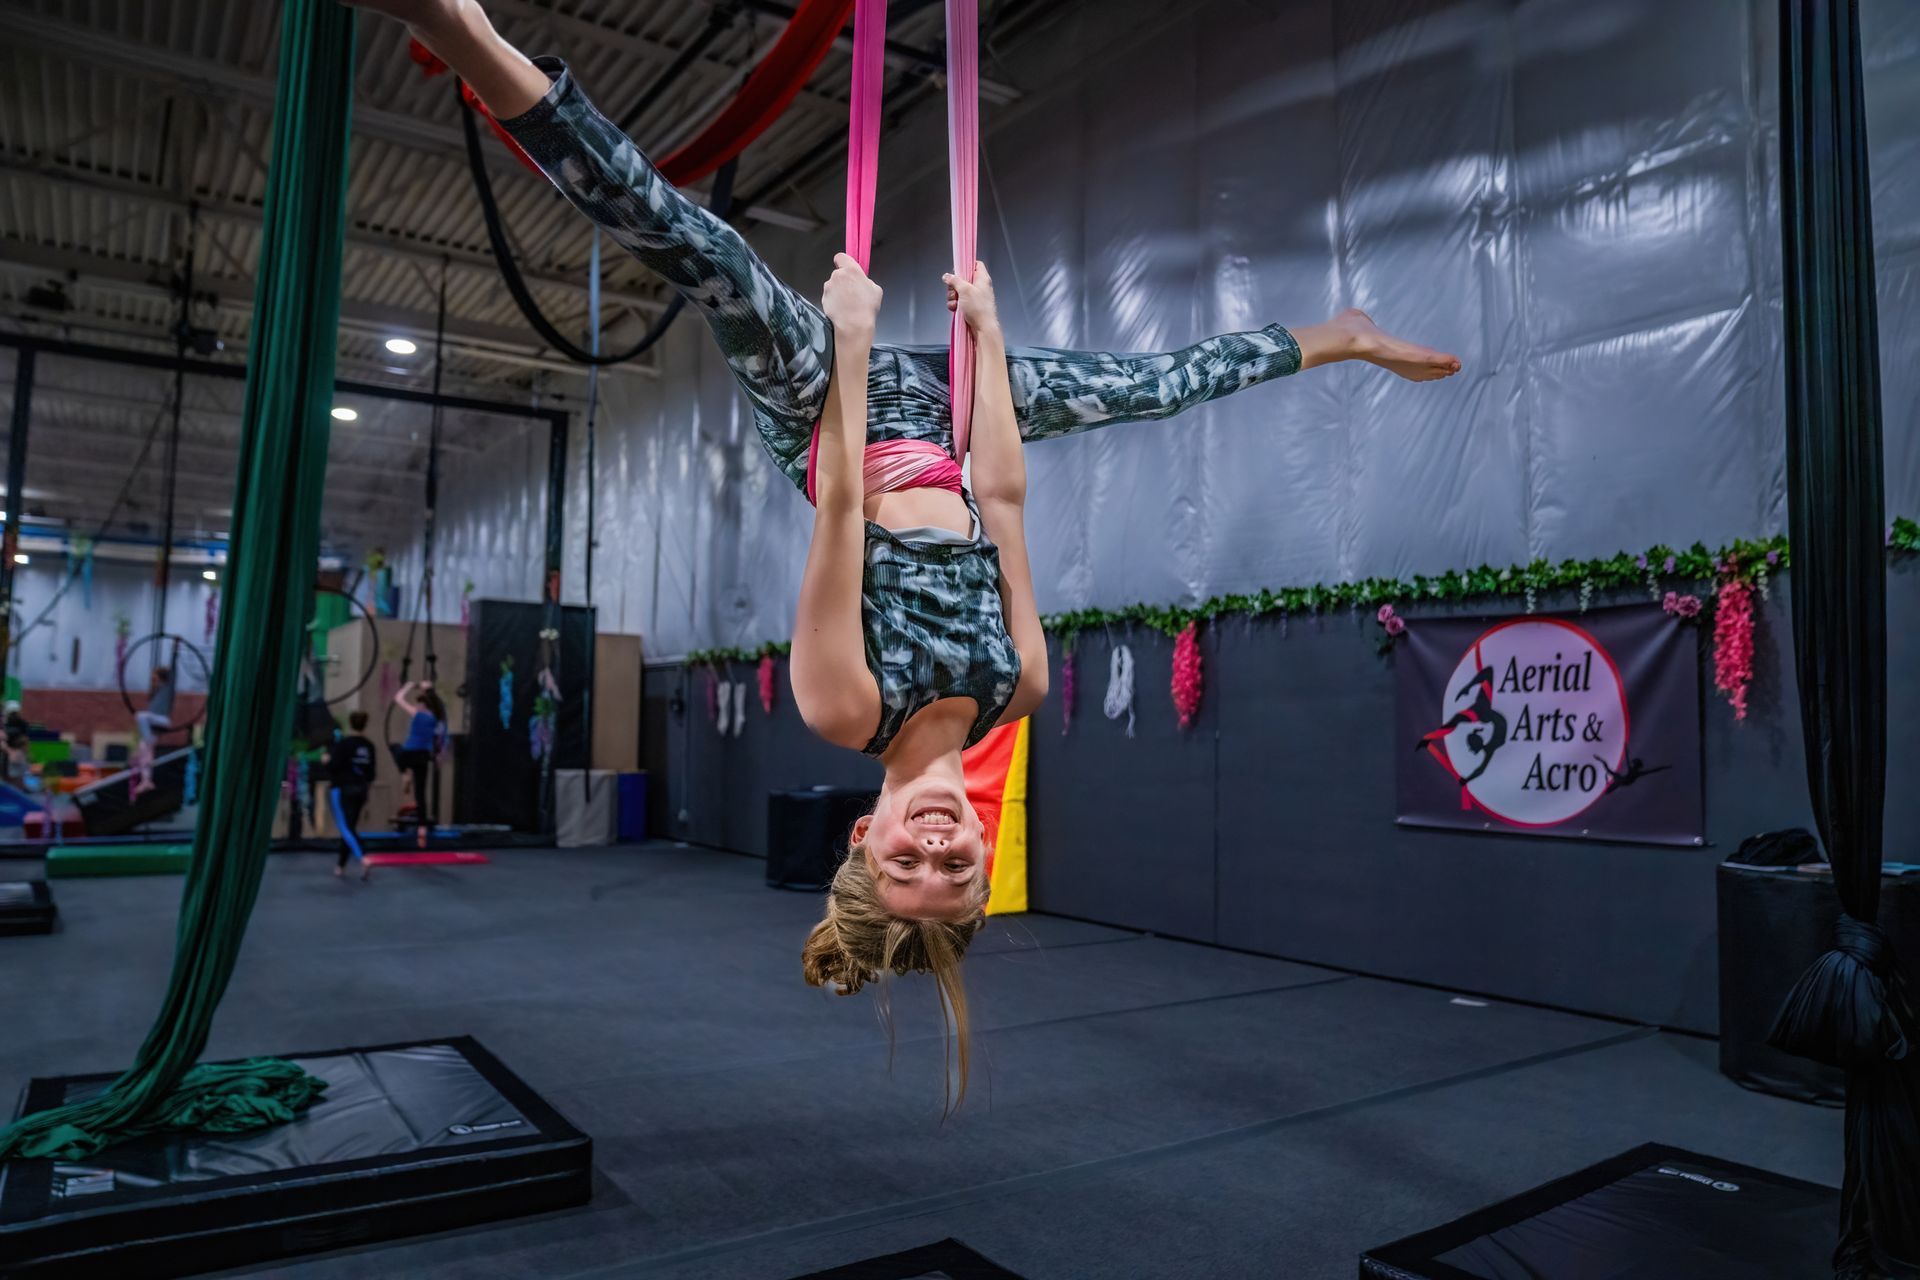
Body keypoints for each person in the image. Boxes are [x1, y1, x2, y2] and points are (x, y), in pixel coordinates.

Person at [353, 0, 1462, 1102]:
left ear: (864, 833)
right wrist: (982, 342)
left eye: (904, 862)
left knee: (701, 251)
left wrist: (845, 340)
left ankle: (464, 35)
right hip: (950, 414)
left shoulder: (845, 706)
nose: (935, 847)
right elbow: (1008, 501)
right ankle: (1340, 334)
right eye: (953, 868)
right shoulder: (1016, 689)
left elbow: (838, 506)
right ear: (983, 859)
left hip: (830, 412)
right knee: (1152, 387)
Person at [392, 679, 447, 848]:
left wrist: (408, 686)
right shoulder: (437, 719)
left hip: (409, 754)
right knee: (421, 794)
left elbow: (398, 698)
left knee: (394, 747)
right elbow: (438, 741)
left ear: (423, 704)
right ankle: (422, 829)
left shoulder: (417, 713)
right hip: (423, 756)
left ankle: (405, 773)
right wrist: (437, 757)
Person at [327, 710, 379, 881]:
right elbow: (371, 774)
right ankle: (340, 866)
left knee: (346, 827)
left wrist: (326, 759)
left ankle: (363, 857)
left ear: (350, 723)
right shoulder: (369, 746)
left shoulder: (344, 744)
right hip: (361, 790)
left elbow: (334, 765)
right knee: (350, 827)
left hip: (342, 789)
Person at [135, 664, 176, 746]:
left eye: (155, 678)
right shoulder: (155, 691)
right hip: (154, 719)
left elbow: (172, 675)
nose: (153, 680)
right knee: (143, 744)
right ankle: (148, 744)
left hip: (163, 720)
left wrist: (175, 654)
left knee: (140, 716)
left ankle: (149, 741)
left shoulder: (166, 689)